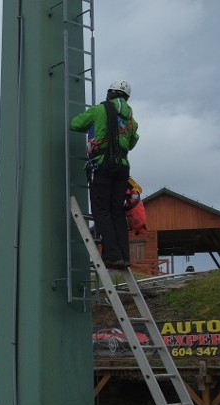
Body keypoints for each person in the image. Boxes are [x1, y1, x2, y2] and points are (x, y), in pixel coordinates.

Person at [70, 80, 139, 270]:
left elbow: (75, 124)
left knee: (101, 211)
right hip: (123, 167)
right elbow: (132, 142)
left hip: (102, 164)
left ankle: (112, 255)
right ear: (126, 97)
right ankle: (124, 256)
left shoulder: (99, 110)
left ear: (110, 93)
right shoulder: (131, 120)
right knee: (117, 212)